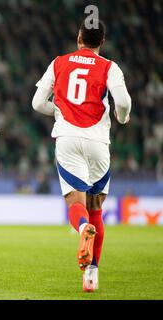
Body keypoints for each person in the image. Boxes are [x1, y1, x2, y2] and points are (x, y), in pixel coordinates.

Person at [32, 20, 131, 292]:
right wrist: (122, 117)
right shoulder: (110, 67)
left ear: (78, 38)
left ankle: (82, 226)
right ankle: (91, 276)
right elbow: (122, 103)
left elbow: (37, 102)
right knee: (96, 205)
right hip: (98, 141)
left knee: (76, 204)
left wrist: (59, 110)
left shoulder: (59, 62)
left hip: (67, 139)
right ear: (102, 41)